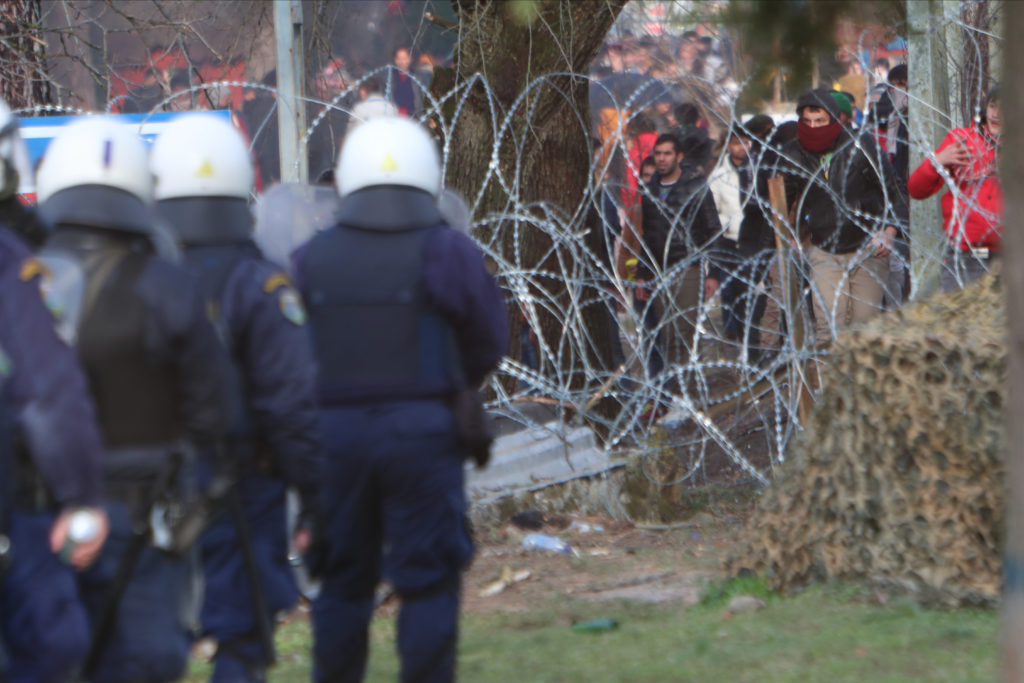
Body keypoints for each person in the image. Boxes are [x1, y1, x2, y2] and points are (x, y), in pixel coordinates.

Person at [296, 116, 507, 682]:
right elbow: (491, 337)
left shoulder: (312, 256)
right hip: (422, 431)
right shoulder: (447, 250)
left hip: (334, 435)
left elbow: (285, 346)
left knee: (342, 580)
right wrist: (452, 378)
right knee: (428, 578)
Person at [35, 116, 231, 682]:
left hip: (39, 512)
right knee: (143, 661)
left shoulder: (20, 283)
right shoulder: (169, 286)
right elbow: (213, 406)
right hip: (142, 515)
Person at [150, 114, 322, 682]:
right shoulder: (258, 283)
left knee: (142, 640)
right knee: (242, 636)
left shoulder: (136, 279)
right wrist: (318, 497)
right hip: (241, 487)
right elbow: (292, 400)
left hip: (146, 486)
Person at [0, 100, 110, 683]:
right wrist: (81, 495)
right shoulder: (15, 269)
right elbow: (49, 394)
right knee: (50, 645)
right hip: (13, 516)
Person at [780, 88, 907, 347]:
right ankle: (831, 385)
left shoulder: (860, 144)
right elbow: (782, 201)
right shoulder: (793, 154)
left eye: (820, 121)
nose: (814, 128)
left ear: (834, 120)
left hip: (867, 248)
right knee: (829, 329)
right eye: (808, 121)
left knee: (864, 329)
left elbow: (894, 191)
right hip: (823, 249)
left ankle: (860, 385)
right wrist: (791, 235)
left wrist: (889, 230)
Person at [639, 132, 725, 398]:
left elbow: (713, 229)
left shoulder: (694, 185)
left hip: (689, 268)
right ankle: (678, 395)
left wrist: (714, 273)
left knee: (684, 334)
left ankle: (683, 396)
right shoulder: (651, 188)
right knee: (668, 337)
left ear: (679, 156)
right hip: (660, 271)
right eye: (658, 153)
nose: (662, 159)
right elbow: (648, 234)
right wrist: (644, 273)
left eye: (667, 153)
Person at [908, 85, 1001, 292]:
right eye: (993, 106)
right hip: (964, 261)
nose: (996, 114)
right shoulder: (962, 141)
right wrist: (937, 161)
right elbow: (916, 189)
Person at [708, 124, 753, 342]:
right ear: (728, 146)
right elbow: (712, 208)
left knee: (749, 288)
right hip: (728, 239)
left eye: (745, 142)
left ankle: (748, 329)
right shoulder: (719, 176)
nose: (742, 147)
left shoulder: (757, 170)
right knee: (728, 288)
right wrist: (721, 227)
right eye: (737, 143)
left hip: (752, 239)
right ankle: (731, 330)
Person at [388, 46, 421, 116]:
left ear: (410, 59)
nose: (401, 62)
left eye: (404, 58)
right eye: (398, 58)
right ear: (395, 60)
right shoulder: (391, 77)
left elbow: (420, 100)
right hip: (395, 117)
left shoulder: (416, 77)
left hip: (413, 117)